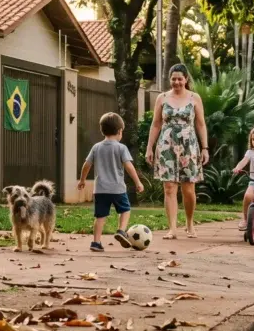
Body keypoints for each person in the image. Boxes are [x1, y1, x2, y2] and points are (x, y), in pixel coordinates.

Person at [145, 63, 209, 239]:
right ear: (170, 79)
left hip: (189, 146)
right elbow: (156, 124)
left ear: (186, 79)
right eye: (173, 79)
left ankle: (189, 223)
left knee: (188, 189)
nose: (177, 82)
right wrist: (149, 147)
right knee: (169, 187)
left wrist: (205, 148)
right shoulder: (162, 98)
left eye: (180, 79)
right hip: (166, 145)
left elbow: (201, 124)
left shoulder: (194, 98)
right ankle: (172, 228)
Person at [77, 112, 144, 252]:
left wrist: (82, 180)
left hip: (100, 189)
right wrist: (138, 182)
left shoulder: (96, 147)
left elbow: (86, 165)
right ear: (120, 131)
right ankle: (121, 230)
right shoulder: (121, 148)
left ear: (102, 130)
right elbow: (129, 166)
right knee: (125, 210)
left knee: (100, 216)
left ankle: (96, 242)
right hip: (117, 189)